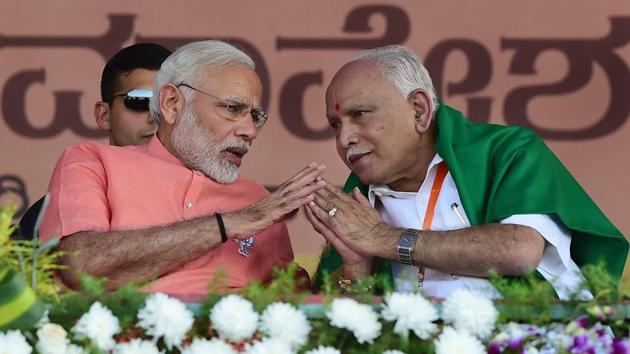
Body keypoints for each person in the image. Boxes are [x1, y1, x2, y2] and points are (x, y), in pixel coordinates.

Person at [308, 45, 627, 299]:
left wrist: (382, 239)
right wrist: (357, 266)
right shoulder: (355, 204)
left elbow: (519, 250)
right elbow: (341, 335)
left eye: (360, 115)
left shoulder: (505, 151)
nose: (344, 138)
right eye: (336, 125)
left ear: (419, 110)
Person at [39, 40, 326, 300]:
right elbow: (79, 266)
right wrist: (229, 224)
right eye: (231, 108)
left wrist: (353, 261)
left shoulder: (259, 200)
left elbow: (296, 312)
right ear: (172, 103)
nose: (250, 131)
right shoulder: (92, 161)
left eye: (255, 115)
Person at [94, 43, 172, 146]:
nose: (156, 117)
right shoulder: (77, 161)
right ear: (104, 115)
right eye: (140, 101)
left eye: (171, 103)